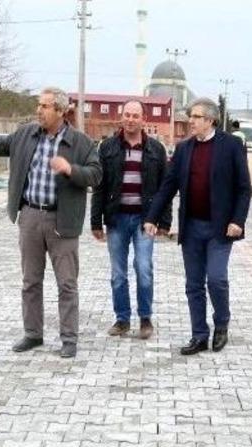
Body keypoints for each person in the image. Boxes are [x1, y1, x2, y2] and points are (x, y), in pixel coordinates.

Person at [0, 87, 102, 359]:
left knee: (67, 284)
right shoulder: (26, 134)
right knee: (30, 281)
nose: (39, 111)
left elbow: (96, 174)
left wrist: (71, 170)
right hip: (31, 217)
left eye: (45, 106)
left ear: (61, 111)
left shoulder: (80, 142)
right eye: (38, 105)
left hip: (63, 221)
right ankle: (33, 334)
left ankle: (69, 338)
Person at [144, 98, 251, 356]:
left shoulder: (232, 146)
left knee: (216, 278)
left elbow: (243, 189)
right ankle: (199, 335)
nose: (191, 120)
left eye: (196, 116)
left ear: (211, 120)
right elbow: (168, 186)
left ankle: (222, 323)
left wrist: (238, 221)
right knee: (193, 284)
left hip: (221, 228)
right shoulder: (183, 149)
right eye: (190, 115)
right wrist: (152, 217)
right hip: (191, 227)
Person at [91, 100, 172, 340]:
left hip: (144, 220)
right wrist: (96, 222)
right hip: (116, 219)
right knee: (118, 273)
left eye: (135, 115)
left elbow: (164, 189)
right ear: (121, 117)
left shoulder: (156, 150)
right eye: (127, 114)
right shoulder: (107, 148)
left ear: (143, 119)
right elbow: (99, 186)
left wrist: (164, 222)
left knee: (144, 268)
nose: (130, 119)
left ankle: (145, 318)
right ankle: (122, 319)